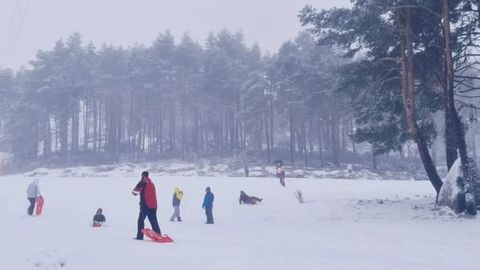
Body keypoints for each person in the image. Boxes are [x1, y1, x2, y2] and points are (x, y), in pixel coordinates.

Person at [132, 171, 161, 240]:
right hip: (153, 206)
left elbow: (134, 192)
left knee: (140, 221)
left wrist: (139, 183)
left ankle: (140, 236)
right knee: (154, 222)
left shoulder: (143, 183)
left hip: (145, 206)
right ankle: (158, 235)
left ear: (142, 176)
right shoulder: (151, 183)